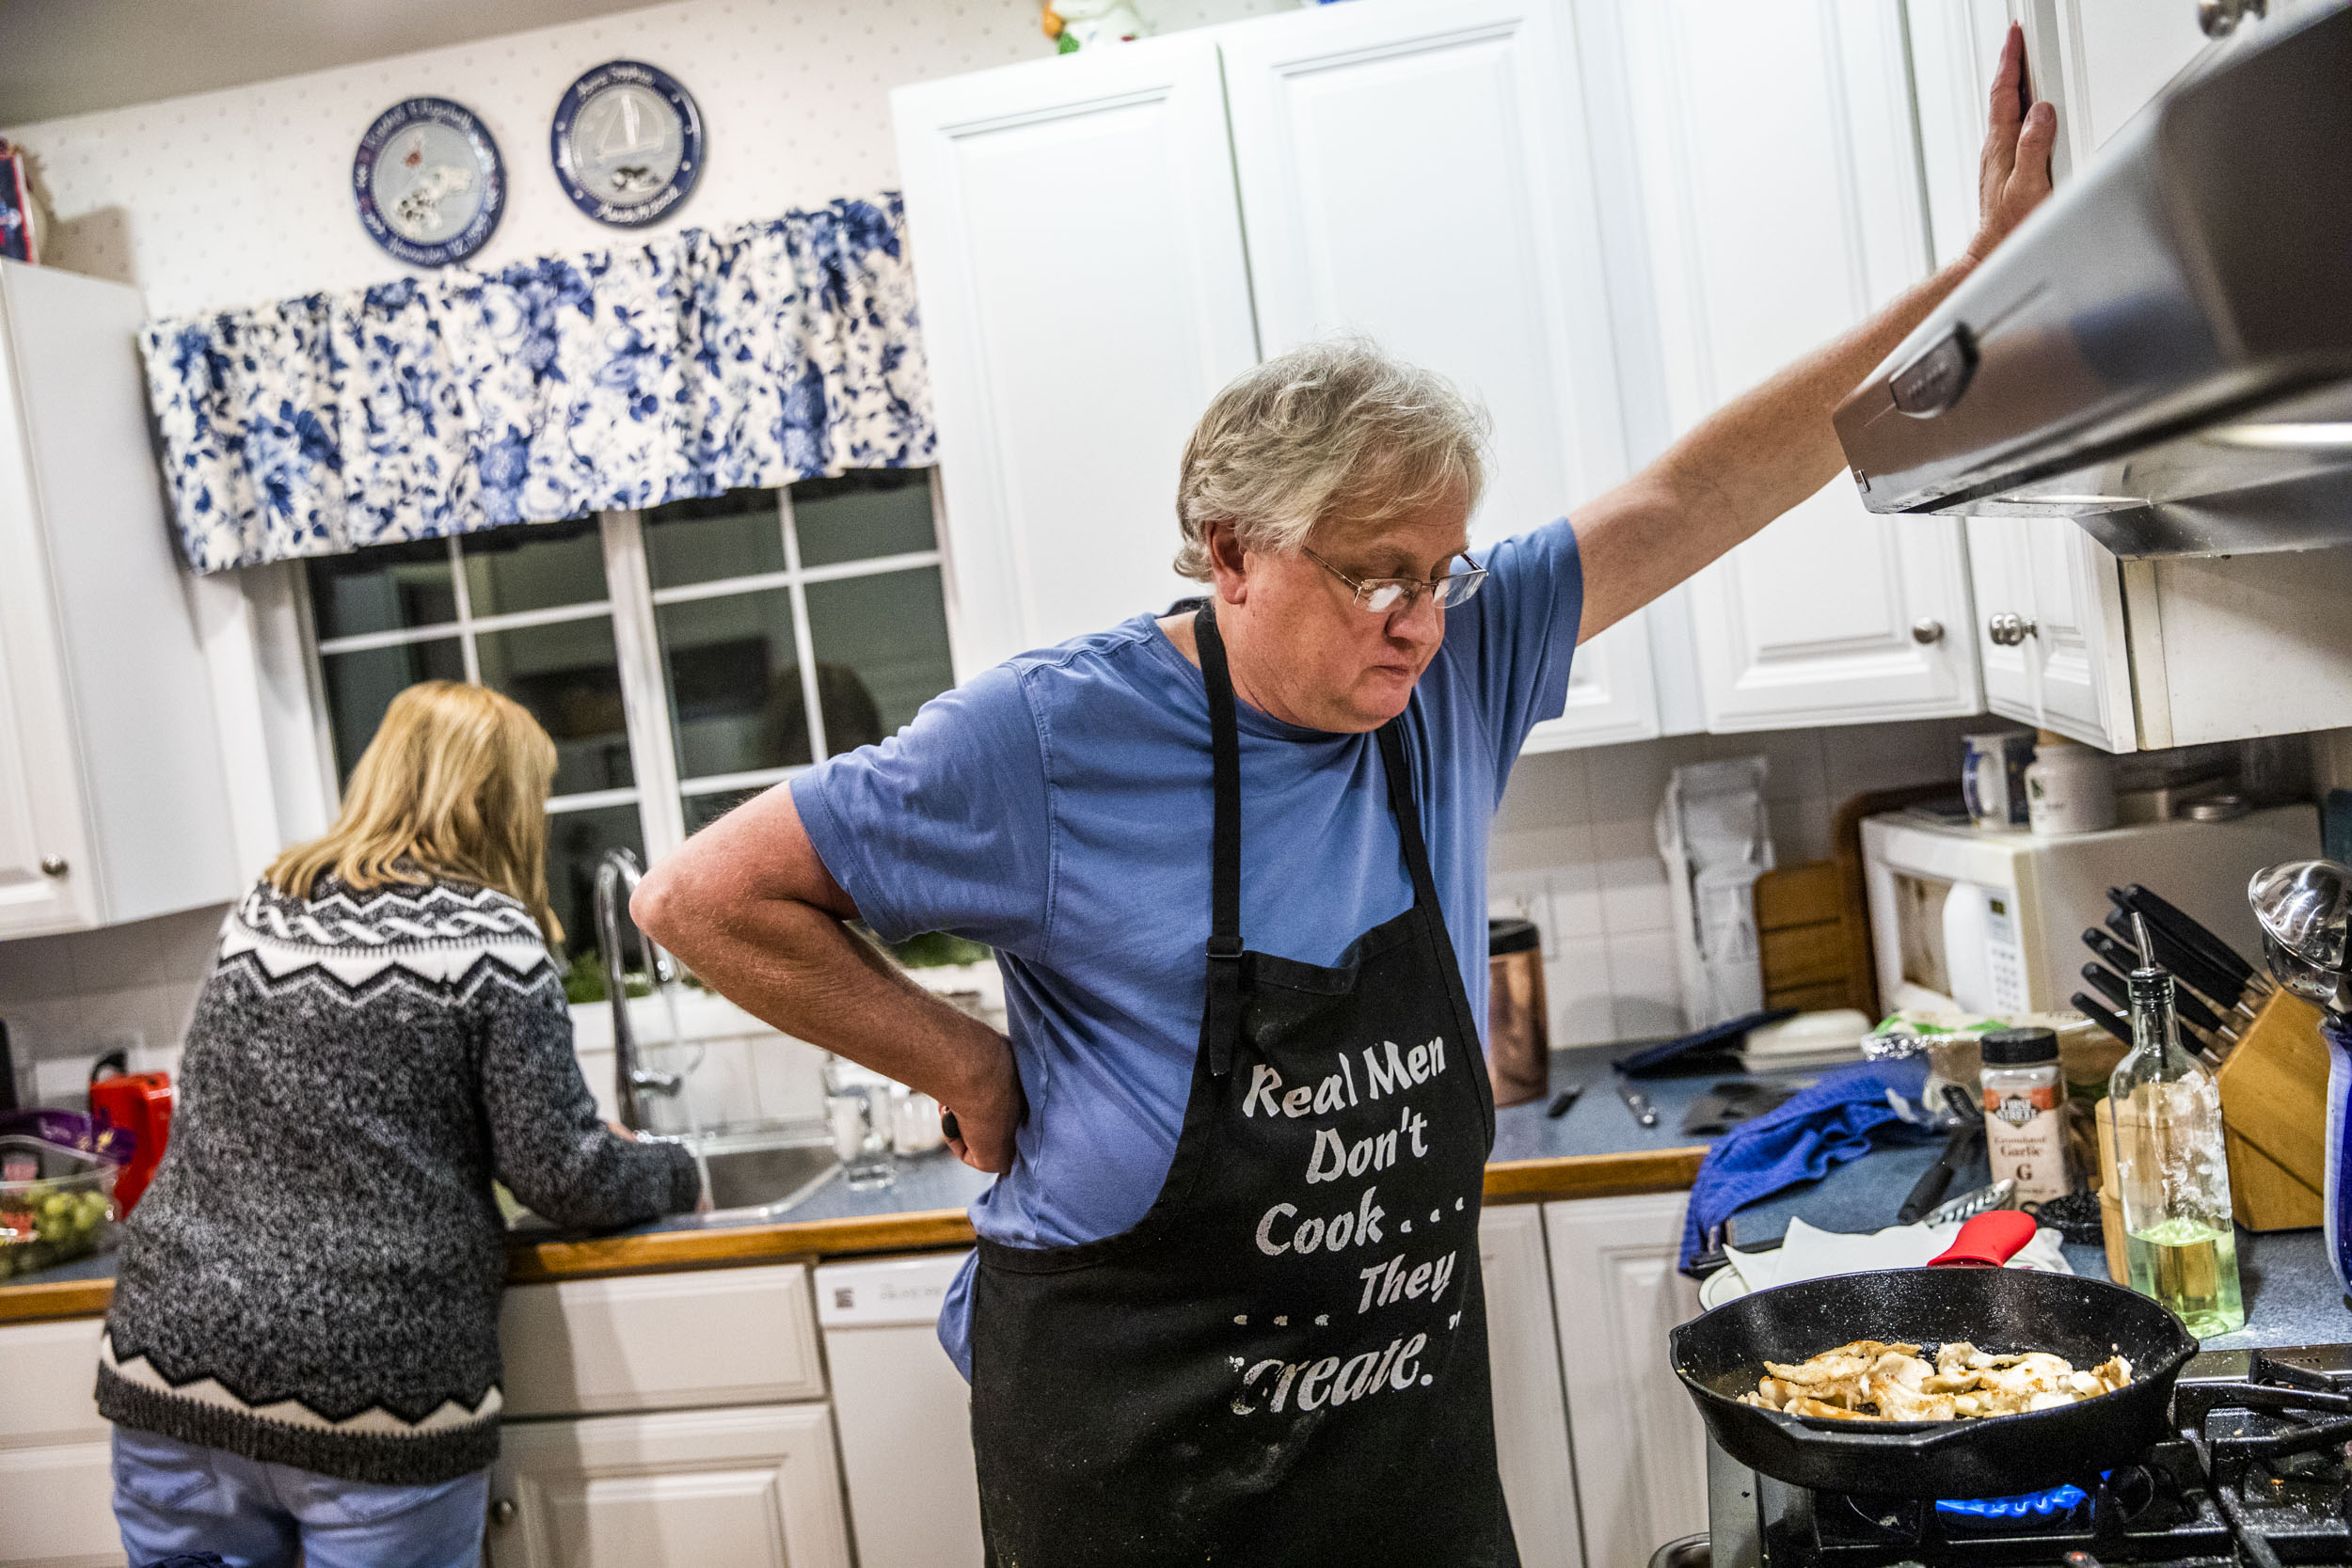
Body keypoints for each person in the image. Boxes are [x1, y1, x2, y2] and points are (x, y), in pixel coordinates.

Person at [631, 34, 2058, 1567]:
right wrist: (965, 1058)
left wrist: (1970, 285)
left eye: (1440, 569)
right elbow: (703, 896)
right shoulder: (1048, 740)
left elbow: (1696, 492)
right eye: (1374, 568)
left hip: (1398, 1456)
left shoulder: (1451, 669)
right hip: (1130, 1459)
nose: (1421, 617)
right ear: (1229, 550)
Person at [98, 682, 700, 1568]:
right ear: (503, 802)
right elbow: (562, 1173)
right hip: (375, 1393)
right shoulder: (495, 939)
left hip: (173, 1362)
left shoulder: (262, 909)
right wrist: (679, 1171)